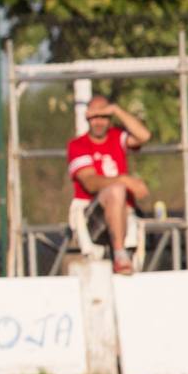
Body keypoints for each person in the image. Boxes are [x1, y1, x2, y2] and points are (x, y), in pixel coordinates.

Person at [67, 96, 152, 275]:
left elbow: (144, 136)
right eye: (95, 117)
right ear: (87, 118)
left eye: (104, 117)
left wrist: (116, 110)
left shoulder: (116, 137)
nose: (99, 122)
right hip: (93, 215)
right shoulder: (78, 145)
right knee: (116, 190)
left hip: (124, 214)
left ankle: (123, 255)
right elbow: (90, 183)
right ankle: (120, 255)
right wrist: (125, 180)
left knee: (119, 193)